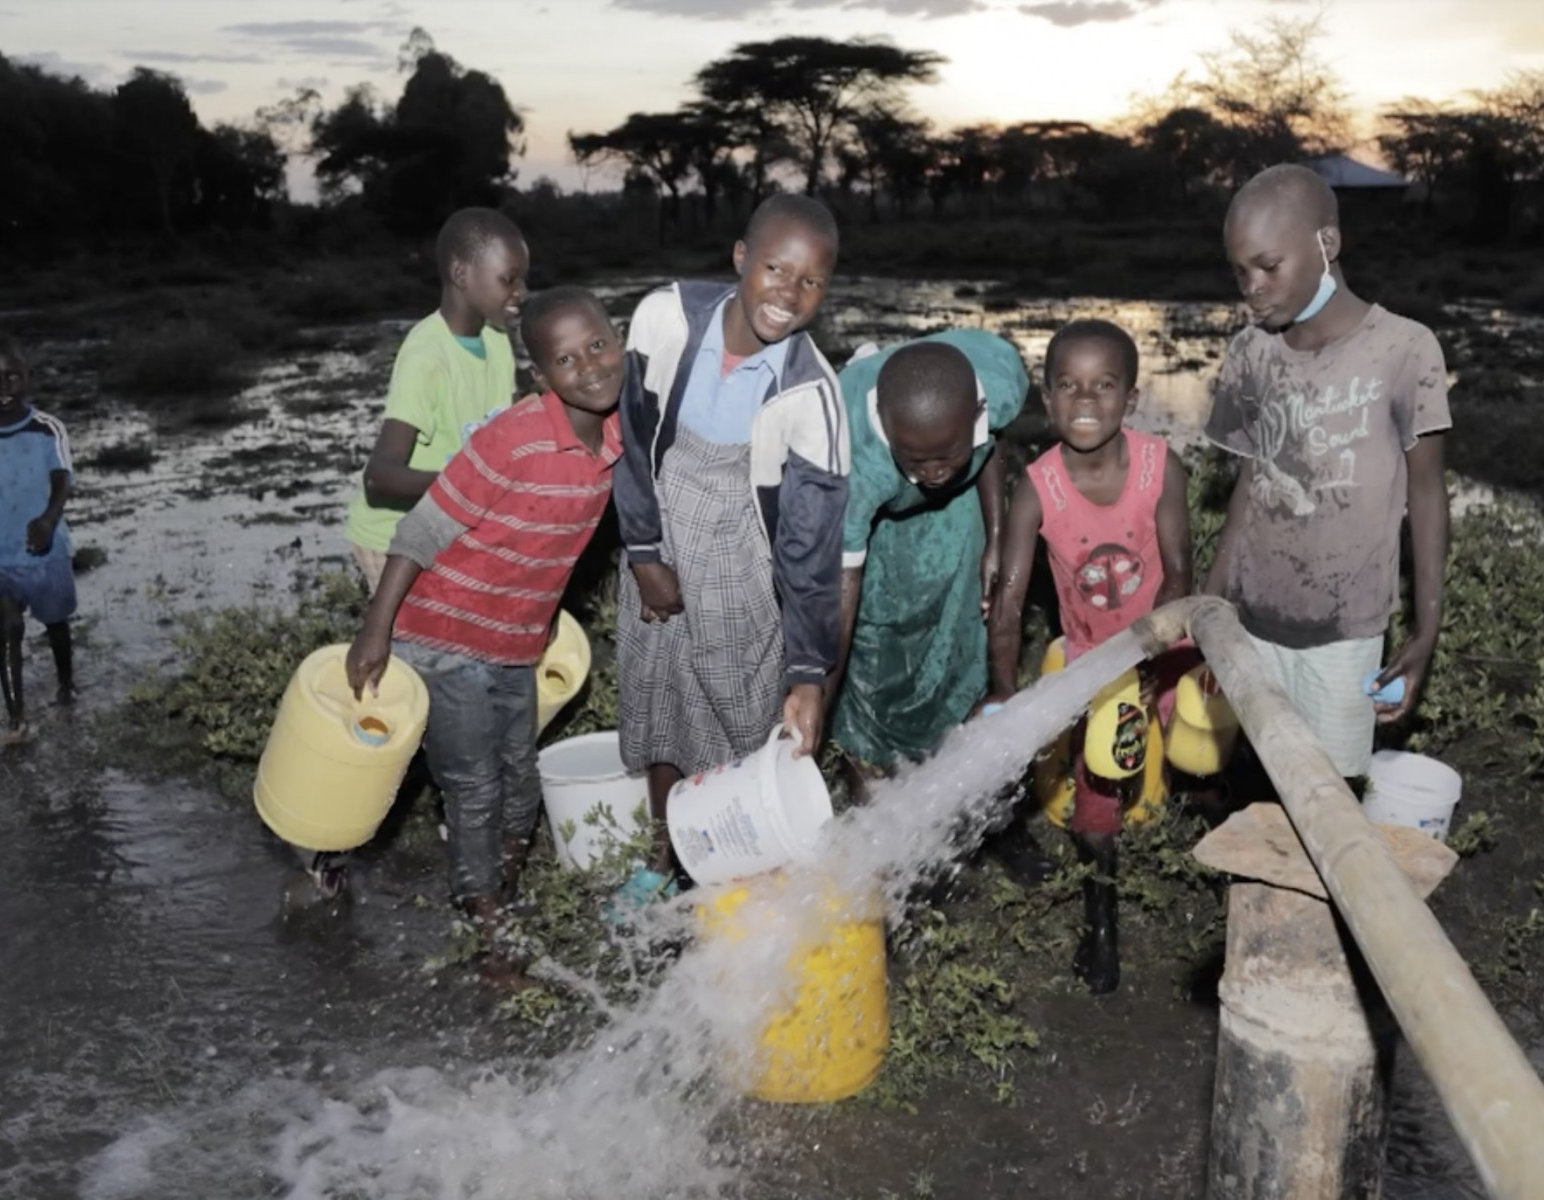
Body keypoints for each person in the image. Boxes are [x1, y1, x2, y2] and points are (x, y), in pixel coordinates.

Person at [344, 287, 624, 985]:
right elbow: (421, 529)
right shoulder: (513, 437)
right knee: (473, 788)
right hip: (442, 635)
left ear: (618, 340)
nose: (589, 366)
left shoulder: (622, 430)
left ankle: (495, 894)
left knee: (521, 784)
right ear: (541, 374)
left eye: (598, 345)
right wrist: (375, 630)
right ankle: (492, 933)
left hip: (515, 644)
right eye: (566, 359)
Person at [611, 193, 845, 915]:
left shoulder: (814, 395)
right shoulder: (666, 319)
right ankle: (662, 857)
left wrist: (807, 672)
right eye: (776, 268)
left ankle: (733, 871)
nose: (789, 293)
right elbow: (631, 440)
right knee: (659, 698)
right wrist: (644, 553)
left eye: (811, 281)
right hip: (658, 529)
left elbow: (810, 547)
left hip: (741, 554)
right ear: (741, 258)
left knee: (736, 712)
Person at [1203, 163, 1452, 784]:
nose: (1252, 288)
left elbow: (1427, 495)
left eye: (1268, 266)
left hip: (1344, 634)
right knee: (1257, 783)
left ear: (1327, 243)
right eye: (1240, 272)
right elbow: (1252, 478)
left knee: (1329, 794)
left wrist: (1426, 629)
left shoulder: (1404, 349)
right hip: (1253, 619)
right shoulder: (1251, 352)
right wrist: (1212, 602)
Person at [987, 318, 1192, 994]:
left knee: (1206, 741)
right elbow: (1009, 601)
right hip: (1096, 662)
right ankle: (1101, 929)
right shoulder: (1037, 488)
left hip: (1164, 643)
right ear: (1046, 398)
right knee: (1100, 782)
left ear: (1131, 398)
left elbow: (1180, 575)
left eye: (1103, 386)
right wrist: (1003, 692)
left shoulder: (1161, 468)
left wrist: (1154, 660)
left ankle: (1214, 845)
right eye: (1068, 386)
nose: (1084, 400)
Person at [828, 330, 1053, 883]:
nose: (931, 473)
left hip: (956, 526)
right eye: (916, 459)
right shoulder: (852, 458)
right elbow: (842, 587)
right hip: (878, 550)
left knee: (964, 663)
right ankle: (881, 844)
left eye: (945, 455)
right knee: (874, 681)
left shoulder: (995, 387)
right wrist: (821, 691)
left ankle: (996, 823)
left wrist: (995, 537)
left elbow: (991, 446)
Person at [344, 207, 529, 591]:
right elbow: (379, 478)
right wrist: (470, 485)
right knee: (422, 632)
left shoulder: (496, 339)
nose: (521, 293)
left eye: (524, 280)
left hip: (446, 528)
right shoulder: (427, 355)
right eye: (509, 280)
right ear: (461, 274)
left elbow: (509, 429)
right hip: (392, 540)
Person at [0, 336, 77, 743]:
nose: (4, 386)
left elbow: (62, 480)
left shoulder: (47, 428)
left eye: (13, 376)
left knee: (56, 622)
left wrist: (47, 519)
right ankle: (16, 719)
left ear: (28, 378)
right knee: (7, 625)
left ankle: (66, 684)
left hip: (45, 550)